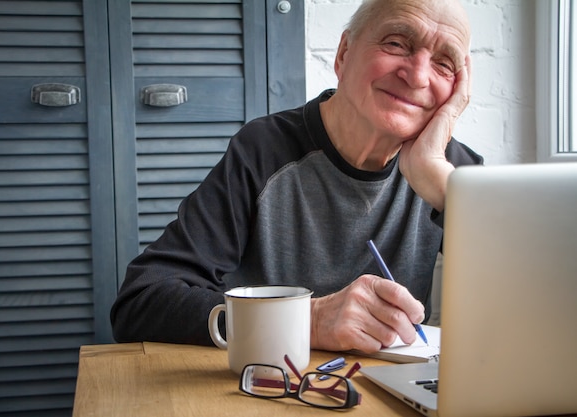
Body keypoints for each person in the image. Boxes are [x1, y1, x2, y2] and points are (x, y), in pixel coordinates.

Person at [110, 0, 483, 354]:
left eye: (444, 64)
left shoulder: (452, 174)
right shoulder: (264, 150)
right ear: (343, 54)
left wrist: (446, 193)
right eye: (397, 43)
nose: (417, 75)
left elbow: (532, 302)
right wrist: (308, 320)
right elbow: (140, 302)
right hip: (272, 386)